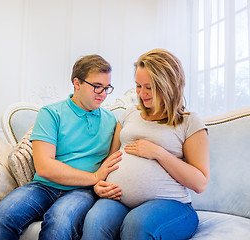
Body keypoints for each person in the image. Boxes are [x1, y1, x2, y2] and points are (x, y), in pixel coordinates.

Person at [0, 54, 123, 240]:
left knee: (59, 221)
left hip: (82, 191)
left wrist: (98, 181)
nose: (103, 94)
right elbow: (44, 167)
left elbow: (111, 162)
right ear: (77, 83)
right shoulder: (51, 113)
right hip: (44, 186)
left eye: (107, 88)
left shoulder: (111, 121)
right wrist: (93, 176)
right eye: (97, 87)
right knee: (0, 217)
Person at [83, 49, 210, 240]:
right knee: (95, 221)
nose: (142, 93)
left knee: (137, 225)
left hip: (172, 204)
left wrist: (159, 153)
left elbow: (200, 183)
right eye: (138, 85)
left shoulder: (189, 122)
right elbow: (110, 159)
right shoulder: (129, 114)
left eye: (149, 87)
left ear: (169, 85)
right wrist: (99, 184)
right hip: (118, 200)